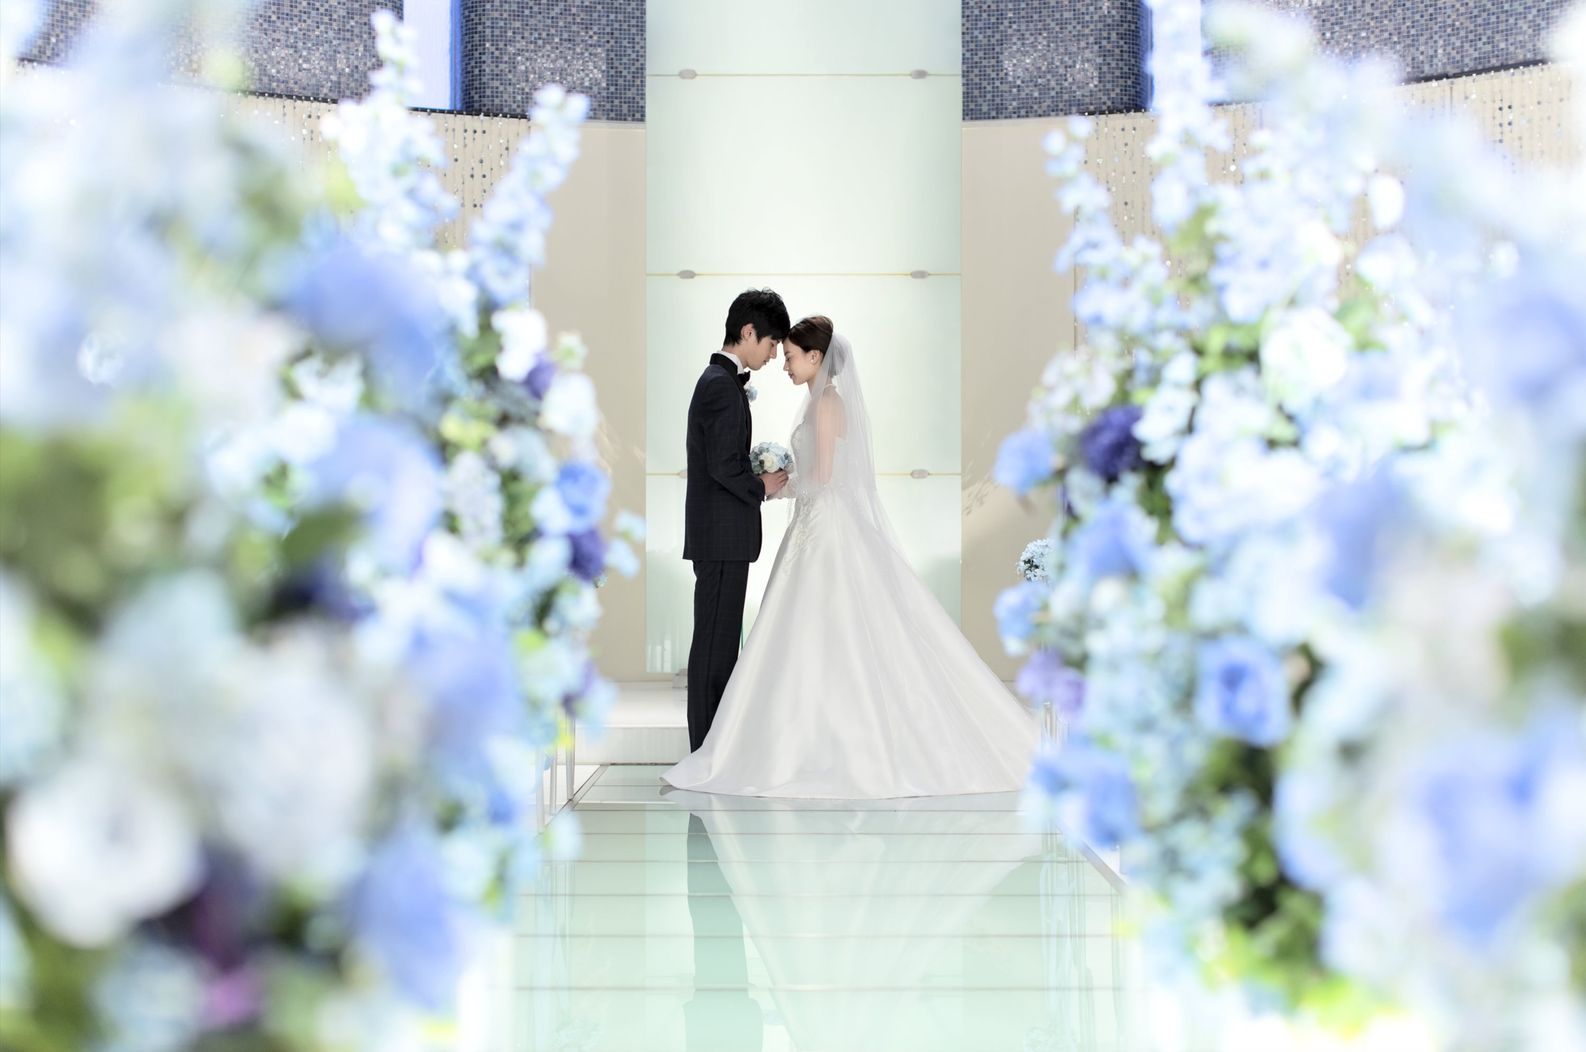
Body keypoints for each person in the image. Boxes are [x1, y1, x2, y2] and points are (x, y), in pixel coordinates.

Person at [665, 316, 1039, 798]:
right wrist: (772, 485)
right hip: (815, 524)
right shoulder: (816, 401)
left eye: (791, 356)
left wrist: (776, 486)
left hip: (826, 526)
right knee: (812, 630)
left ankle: (822, 744)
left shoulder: (826, 404)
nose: (784, 364)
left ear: (815, 357)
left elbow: (823, 478)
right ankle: (806, 739)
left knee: (825, 626)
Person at [682, 288, 790, 752]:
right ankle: (704, 752)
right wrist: (761, 486)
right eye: (771, 343)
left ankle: (711, 750)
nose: (773, 354)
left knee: (720, 646)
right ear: (748, 332)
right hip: (721, 538)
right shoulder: (720, 386)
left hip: (720, 538)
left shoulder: (721, 382)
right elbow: (723, 466)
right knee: (714, 648)